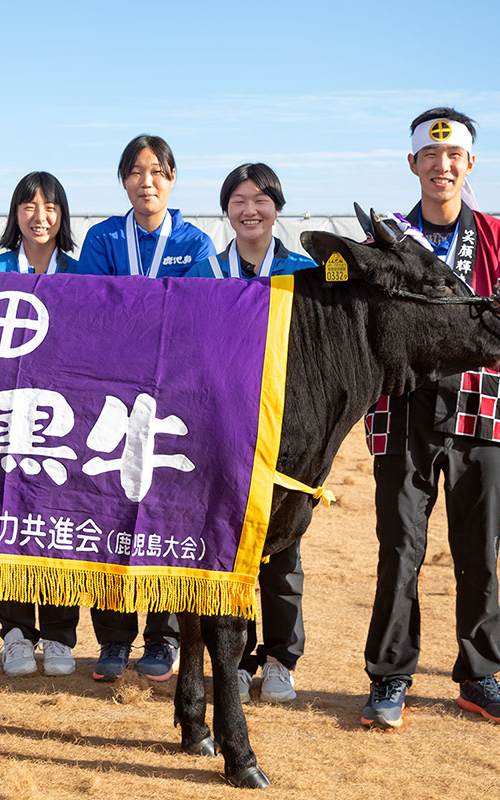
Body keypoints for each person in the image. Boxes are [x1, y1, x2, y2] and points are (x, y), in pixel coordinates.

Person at [360, 107, 500, 730]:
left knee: (479, 549)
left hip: (483, 411)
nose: (442, 166)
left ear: (469, 164)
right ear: (413, 164)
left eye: (454, 157)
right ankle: (390, 676)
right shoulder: (388, 239)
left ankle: (480, 676)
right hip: (403, 409)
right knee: (400, 549)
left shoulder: (499, 238)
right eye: (430, 155)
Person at [75, 134, 216, 682]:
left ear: (173, 177)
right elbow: (90, 305)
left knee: (162, 517)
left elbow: (198, 314)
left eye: (156, 170)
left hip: (171, 396)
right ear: (124, 181)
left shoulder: (196, 241)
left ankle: (163, 636)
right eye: (134, 171)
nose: (146, 180)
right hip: (109, 392)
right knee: (107, 514)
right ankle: (112, 638)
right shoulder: (103, 236)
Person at [184, 163, 315, 702]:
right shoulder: (205, 270)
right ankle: (236, 658)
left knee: (283, 545)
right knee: (231, 546)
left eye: (260, 198)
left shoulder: (304, 271)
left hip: (286, 428)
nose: (249, 209)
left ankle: (282, 659)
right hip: (222, 429)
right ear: (227, 210)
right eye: (238, 200)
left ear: (277, 206)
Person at [0, 171, 80, 676]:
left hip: (64, 420)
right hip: (5, 416)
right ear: (15, 214)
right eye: (29, 206)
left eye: (51, 207)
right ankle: (15, 632)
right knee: (10, 519)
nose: (40, 217)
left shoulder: (85, 275)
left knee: (61, 522)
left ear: (63, 215)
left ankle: (61, 634)